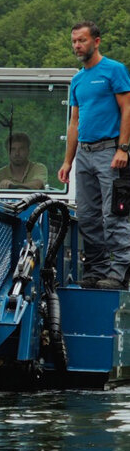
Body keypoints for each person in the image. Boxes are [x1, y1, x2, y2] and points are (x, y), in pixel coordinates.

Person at [58, 21, 130, 290]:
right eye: (74, 41)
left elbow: (127, 109)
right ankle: (96, 270)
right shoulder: (77, 79)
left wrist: (123, 148)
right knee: (87, 216)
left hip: (110, 151)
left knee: (115, 214)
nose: (77, 45)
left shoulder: (114, 70)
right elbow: (75, 122)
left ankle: (120, 271)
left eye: (82, 40)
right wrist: (68, 160)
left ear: (96, 41)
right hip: (84, 155)